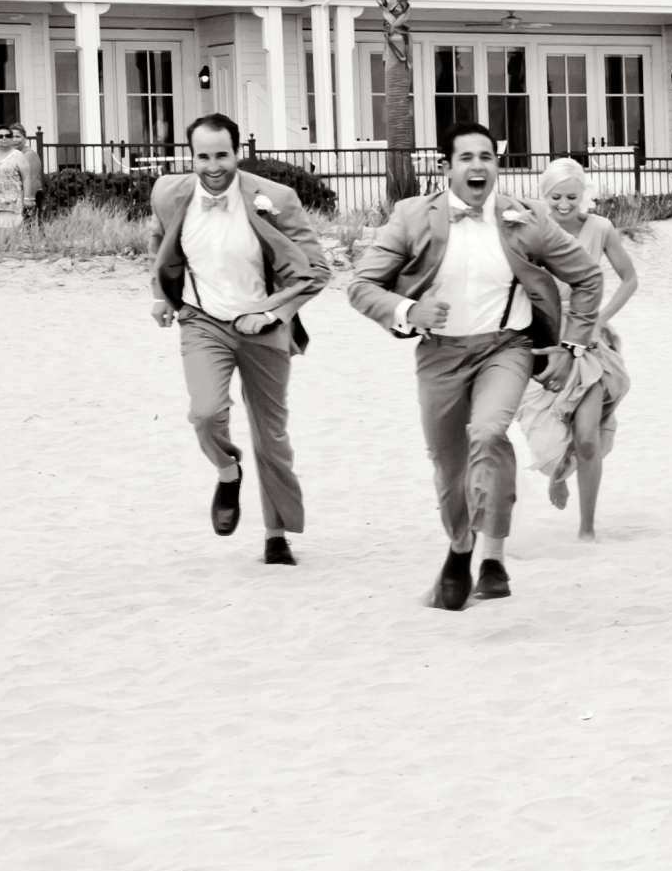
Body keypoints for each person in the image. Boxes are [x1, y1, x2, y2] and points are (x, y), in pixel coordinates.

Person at [347, 120, 602, 612]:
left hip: (505, 348)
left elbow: (587, 278)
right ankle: (460, 548)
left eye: (487, 156)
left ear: (497, 165)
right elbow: (361, 285)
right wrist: (408, 312)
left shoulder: (525, 218)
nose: (478, 166)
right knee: (448, 465)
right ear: (446, 167)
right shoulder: (412, 217)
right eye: (466, 157)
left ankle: (494, 556)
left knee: (488, 433)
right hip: (439, 354)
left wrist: (569, 346)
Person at [148, 114, 331, 564]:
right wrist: (161, 295)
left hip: (264, 329)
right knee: (206, 413)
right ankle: (228, 473)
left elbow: (318, 271)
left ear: (237, 153)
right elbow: (160, 243)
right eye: (203, 156)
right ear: (191, 155)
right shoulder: (170, 194)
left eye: (222, 155)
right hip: (202, 322)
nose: (213, 166)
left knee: (271, 435)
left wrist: (270, 312)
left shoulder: (277, 199)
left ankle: (276, 534)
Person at [533, 156, 638, 539]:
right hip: (544, 339)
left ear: (584, 196)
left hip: (588, 340)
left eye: (572, 197)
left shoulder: (600, 229)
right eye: (557, 196)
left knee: (588, 436)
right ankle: (560, 473)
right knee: (553, 433)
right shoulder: (534, 229)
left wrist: (600, 316)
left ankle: (587, 528)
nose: (564, 204)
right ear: (545, 195)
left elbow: (629, 279)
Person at [0, 124, 31, 231]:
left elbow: (27, 177)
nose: (4, 138)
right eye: (0, 136)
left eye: (7, 136)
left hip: (10, 207)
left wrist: (27, 198)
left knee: (9, 242)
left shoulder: (17, 155)